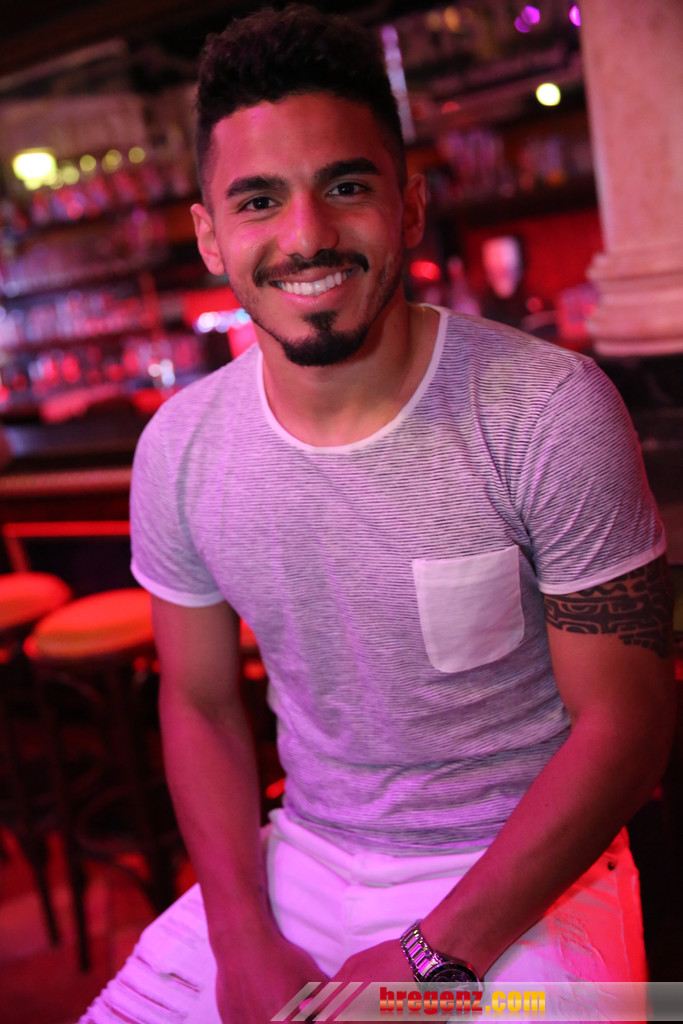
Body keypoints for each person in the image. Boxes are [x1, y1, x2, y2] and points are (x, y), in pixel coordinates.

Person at [82, 4, 674, 1022]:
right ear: (210, 236)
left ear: (408, 206)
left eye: (345, 186)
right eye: (258, 200)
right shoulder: (179, 448)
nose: (305, 234)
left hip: (530, 871)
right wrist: (237, 935)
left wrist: (430, 956)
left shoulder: (545, 409)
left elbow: (627, 723)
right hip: (301, 856)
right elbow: (200, 703)